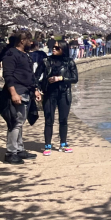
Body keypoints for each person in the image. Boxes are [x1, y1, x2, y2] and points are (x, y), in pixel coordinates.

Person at [1, 31, 42, 164]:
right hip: (17, 92)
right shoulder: (11, 54)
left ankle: (19, 149)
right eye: (29, 40)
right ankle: (11, 152)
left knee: (20, 122)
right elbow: (8, 75)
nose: (31, 43)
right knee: (15, 122)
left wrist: (35, 89)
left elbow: (29, 74)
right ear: (22, 40)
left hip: (26, 91)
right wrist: (13, 93)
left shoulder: (26, 55)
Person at [38, 41, 79, 155]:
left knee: (63, 120)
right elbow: (36, 77)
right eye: (53, 47)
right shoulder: (46, 61)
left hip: (64, 93)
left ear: (63, 49)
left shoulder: (69, 62)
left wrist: (61, 78)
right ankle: (47, 145)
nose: (54, 49)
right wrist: (38, 89)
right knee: (49, 120)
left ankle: (63, 143)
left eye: (57, 47)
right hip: (49, 94)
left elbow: (75, 78)